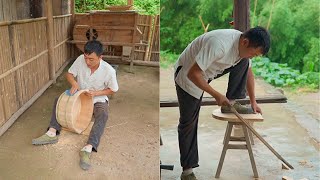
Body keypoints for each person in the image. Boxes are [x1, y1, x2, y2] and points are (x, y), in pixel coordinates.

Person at [174, 26, 270, 179]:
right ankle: (187, 171)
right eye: (253, 53)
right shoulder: (219, 44)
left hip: (207, 72)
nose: (252, 57)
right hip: (187, 75)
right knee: (188, 123)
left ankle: (232, 101)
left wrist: (253, 102)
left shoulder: (243, 48)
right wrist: (216, 95)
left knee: (244, 63)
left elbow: (248, 73)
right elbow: (193, 73)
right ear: (245, 42)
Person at [32, 40, 119, 170]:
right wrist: (74, 83)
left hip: (97, 98)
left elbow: (113, 90)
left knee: (103, 114)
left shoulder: (109, 71)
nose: (87, 62)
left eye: (91, 59)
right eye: (86, 58)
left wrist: (96, 93)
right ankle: (52, 132)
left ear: (101, 57)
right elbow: (69, 74)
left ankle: (89, 147)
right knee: (58, 100)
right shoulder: (80, 59)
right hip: (79, 94)